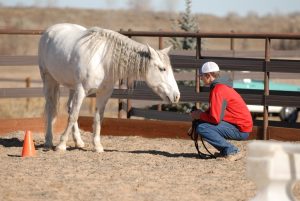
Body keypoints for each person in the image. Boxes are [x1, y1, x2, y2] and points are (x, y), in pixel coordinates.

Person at [190, 61, 253, 161]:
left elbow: (215, 119)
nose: (200, 78)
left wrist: (199, 115)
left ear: (208, 75)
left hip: (240, 129)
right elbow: (215, 112)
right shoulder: (221, 87)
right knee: (202, 125)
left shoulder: (218, 90)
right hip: (241, 126)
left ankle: (232, 151)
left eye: (201, 76)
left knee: (202, 128)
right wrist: (201, 114)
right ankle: (226, 152)